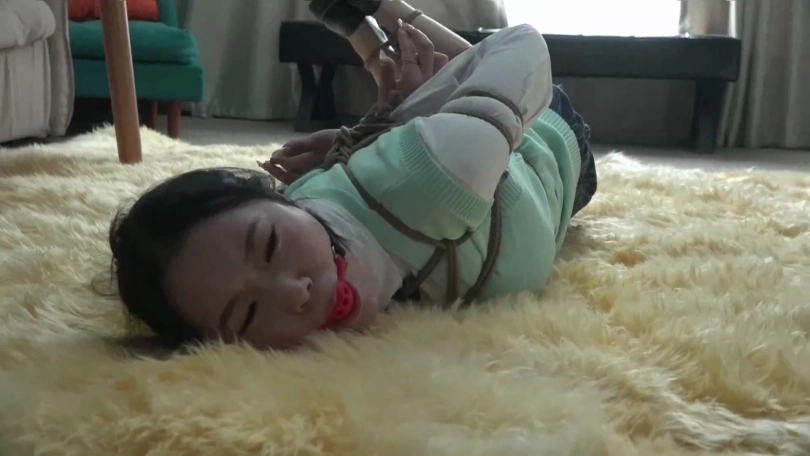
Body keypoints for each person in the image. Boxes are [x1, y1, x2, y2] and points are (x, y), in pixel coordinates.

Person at [107, 0, 598, 351]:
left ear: (279, 198)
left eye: (272, 245)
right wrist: (359, 139)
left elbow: (521, 44)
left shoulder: (438, 176)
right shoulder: (310, 194)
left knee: (451, 97)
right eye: (249, 314)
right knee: (410, 109)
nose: (295, 293)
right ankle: (373, 36)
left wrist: (475, 114)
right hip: (434, 151)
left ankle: (392, 12)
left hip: (553, 142)